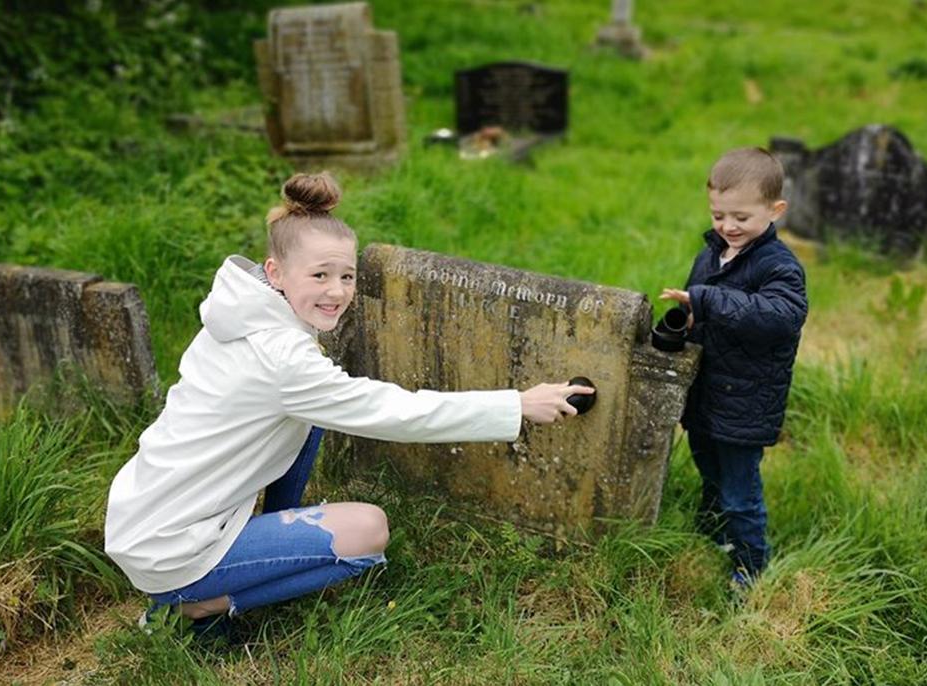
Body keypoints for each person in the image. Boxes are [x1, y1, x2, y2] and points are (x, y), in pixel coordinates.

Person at [104, 172, 592, 633]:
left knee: (313, 421)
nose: (336, 292)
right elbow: (397, 412)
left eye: (347, 276)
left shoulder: (240, 314)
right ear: (276, 272)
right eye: (319, 275)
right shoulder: (282, 358)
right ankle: (197, 606)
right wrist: (518, 405)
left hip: (147, 515)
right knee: (367, 532)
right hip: (173, 547)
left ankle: (246, 551)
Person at [660, 147, 807, 588]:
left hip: (744, 401)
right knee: (708, 464)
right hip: (706, 391)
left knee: (741, 492)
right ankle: (712, 530)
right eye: (718, 214)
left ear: (775, 210)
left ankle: (751, 565)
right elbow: (699, 303)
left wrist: (707, 301)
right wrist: (686, 321)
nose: (727, 226)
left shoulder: (778, 266)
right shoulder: (712, 253)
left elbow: (781, 316)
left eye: (741, 217)